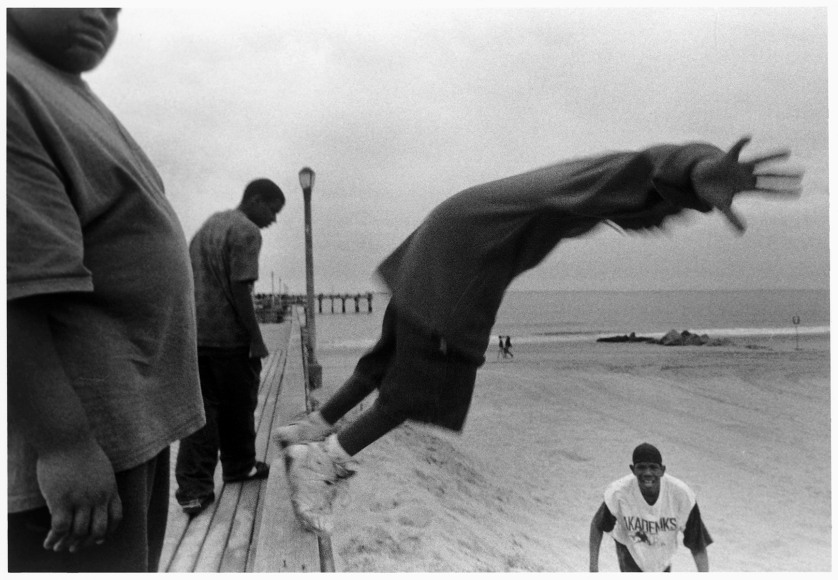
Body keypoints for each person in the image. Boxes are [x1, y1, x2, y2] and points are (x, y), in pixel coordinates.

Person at [272, 136, 801, 535]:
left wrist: (686, 192)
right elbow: (662, 161)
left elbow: (648, 186)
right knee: (415, 389)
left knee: (384, 358)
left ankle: (311, 429)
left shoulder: (579, 183)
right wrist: (702, 171)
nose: (663, 224)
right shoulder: (619, 176)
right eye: (671, 213)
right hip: (465, 257)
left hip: (444, 231)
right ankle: (323, 458)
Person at [6, 8, 205, 572]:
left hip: (125, 421)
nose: (102, 14)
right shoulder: (10, 86)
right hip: (80, 431)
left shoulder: (58, 83)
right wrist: (63, 445)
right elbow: (13, 291)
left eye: (115, 7)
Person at [174, 179, 285, 515]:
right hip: (229, 338)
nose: (273, 219)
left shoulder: (211, 224)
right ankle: (239, 467)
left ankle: (194, 490)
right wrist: (256, 337)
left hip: (197, 336)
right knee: (239, 405)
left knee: (201, 413)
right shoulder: (248, 231)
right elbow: (241, 289)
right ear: (255, 200)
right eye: (272, 209)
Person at [588, 443, 712, 572]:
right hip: (630, 550)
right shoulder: (619, 493)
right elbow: (597, 525)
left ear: (662, 470)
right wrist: (593, 569)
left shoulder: (681, 495)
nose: (647, 473)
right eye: (641, 467)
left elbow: (697, 544)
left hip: (662, 552)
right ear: (633, 469)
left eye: (653, 468)